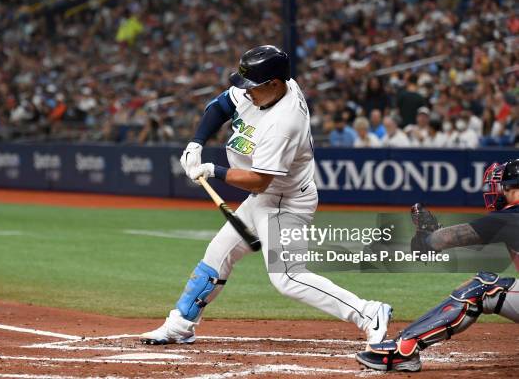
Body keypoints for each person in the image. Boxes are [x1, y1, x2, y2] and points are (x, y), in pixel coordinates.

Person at [140, 45, 392, 346]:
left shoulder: (285, 122)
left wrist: (212, 170)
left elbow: (259, 181)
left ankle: (368, 313)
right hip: (264, 198)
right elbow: (221, 105)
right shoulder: (268, 87)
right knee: (217, 255)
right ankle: (180, 324)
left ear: (275, 84)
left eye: (252, 87)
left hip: (285, 201)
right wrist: (196, 143)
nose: (245, 93)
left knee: (288, 278)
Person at [355, 159, 519, 372]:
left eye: (502, 186)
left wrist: (427, 239)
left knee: (482, 287)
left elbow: (446, 240)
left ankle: (402, 350)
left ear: (510, 186)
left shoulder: (510, 217)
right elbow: (476, 239)